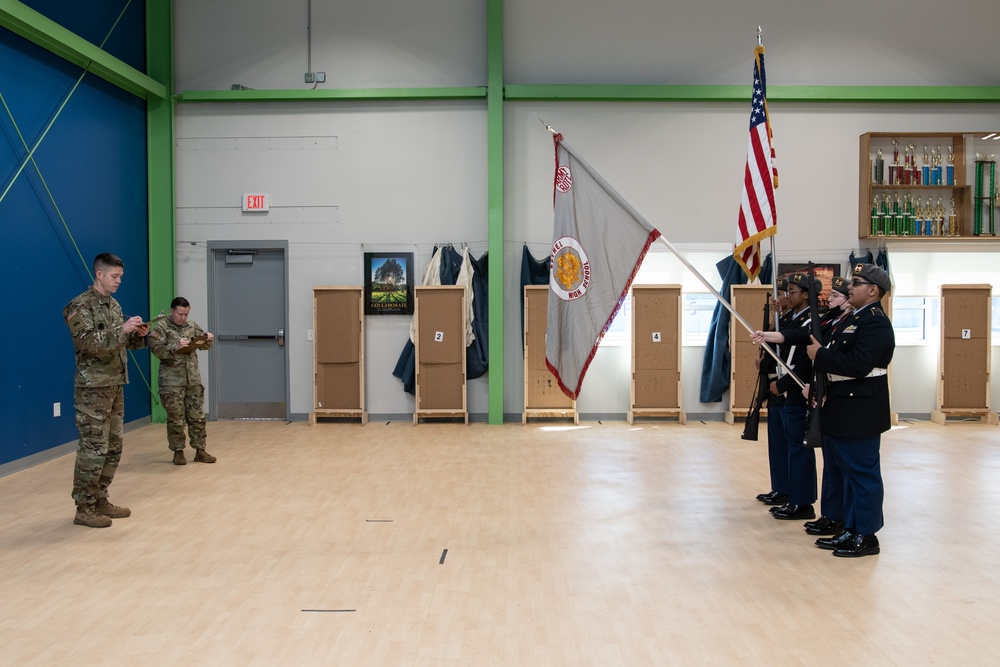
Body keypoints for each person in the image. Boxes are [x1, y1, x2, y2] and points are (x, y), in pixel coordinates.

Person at [807, 263, 895, 558]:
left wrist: (820, 355)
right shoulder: (852, 319)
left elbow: (859, 365)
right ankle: (851, 528)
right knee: (844, 472)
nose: (850, 287)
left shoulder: (875, 322)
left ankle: (867, 534)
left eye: (856, 283)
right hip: (843, 406)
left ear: (873, 290)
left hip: (861, 409)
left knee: (862, 473)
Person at [64, 253, 149, 528]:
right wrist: (122, 330)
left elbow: (118, 344)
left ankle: (100, 498)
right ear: (99, 274)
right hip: (92, 390)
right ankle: (84, 507)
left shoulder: (113, 305)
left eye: (121, 277)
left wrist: (137, 335)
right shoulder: (79, 306)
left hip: (114, 386)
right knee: (93, 449)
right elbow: (89, 344)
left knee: (113, 447)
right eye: (115, 276)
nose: (119, 281)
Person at [752, 272, 817, 521]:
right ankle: (784, 489)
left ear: (804, 294)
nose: (786, 296)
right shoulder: (790, 317)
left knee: (797, 447)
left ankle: (801, 500)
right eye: (784, 292)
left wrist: (783, 383)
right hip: (781, 384)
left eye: (791, 292)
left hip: (795, 386)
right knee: (781, 444)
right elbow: (775, 342)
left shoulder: (810, 320)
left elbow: (802, 360)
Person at [803, 276, 852, 537]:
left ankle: (842, 519)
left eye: (836, 295)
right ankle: (831, 515)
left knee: (846, 467)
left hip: (847, 403)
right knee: (831, 465)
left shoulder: (856, 323)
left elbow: (849, 364)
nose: (830, 299)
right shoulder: (835, 322)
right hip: (829, 399)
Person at [149, 297, 216, 465]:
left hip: (192, 379)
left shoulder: (191, 325)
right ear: (172, 311)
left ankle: (200, 450)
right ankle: (178, 452)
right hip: (171, 381)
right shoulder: (161, 328)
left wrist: (206, 338)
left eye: (186, 314)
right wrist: (175, 347)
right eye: (180, 314)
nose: (183, 318)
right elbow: (157, 351)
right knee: (176, 418)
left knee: (197, 416)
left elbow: (205, 346)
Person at [755, 277, 790, 507]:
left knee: (789, 445)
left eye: (786, 293)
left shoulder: (802, 320)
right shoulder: (782, 319)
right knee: (777, 443)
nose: (779, 298)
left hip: (786, 387)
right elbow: (770, 340)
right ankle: (780, 488)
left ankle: (790, 493)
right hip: (773, 386)